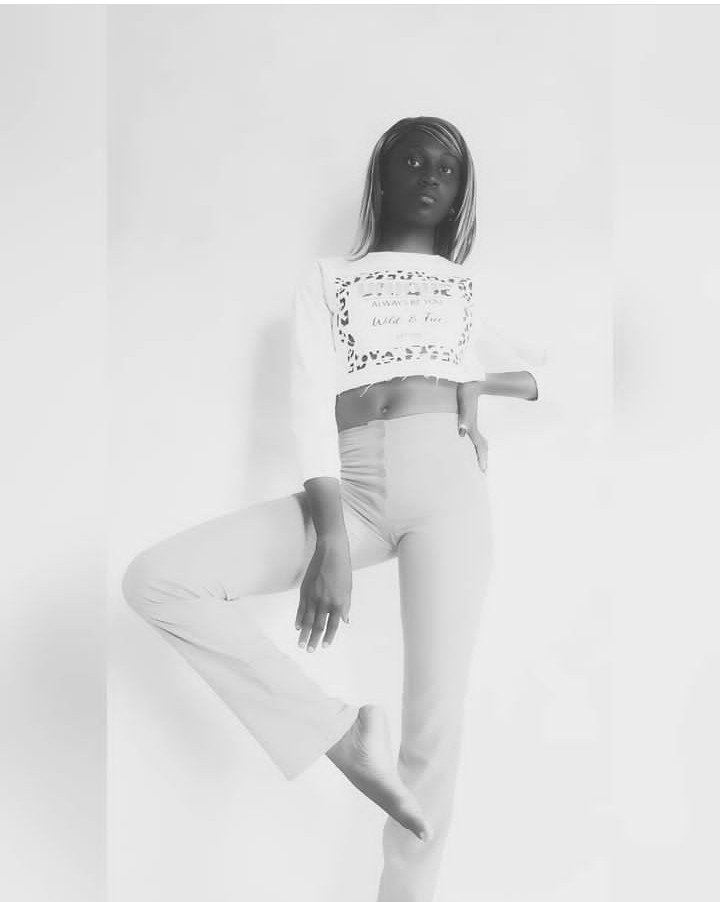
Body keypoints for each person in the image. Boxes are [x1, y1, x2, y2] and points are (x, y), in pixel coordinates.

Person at [122, 115, 547, 902]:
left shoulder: (463, 290)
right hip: (350, 487)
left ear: (461, 190)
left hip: (450, 489)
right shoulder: (328, 278)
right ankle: (335, 730)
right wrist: (329, 538)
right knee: (160, 579)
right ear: (381, 175)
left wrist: (475, 382)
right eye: (411, 160)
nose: (429, 176)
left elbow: (550, 370)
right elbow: (310, 398)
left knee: (435, 727)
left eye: (446, 168)